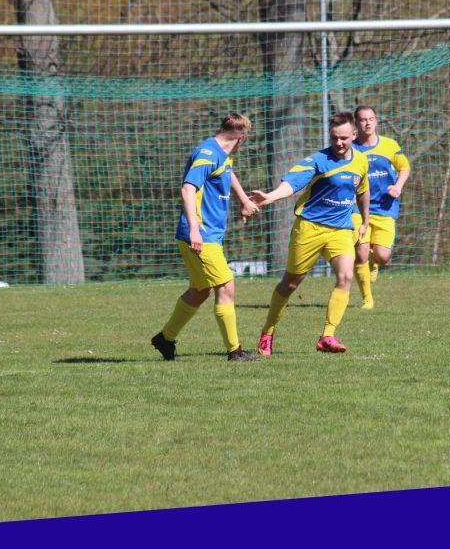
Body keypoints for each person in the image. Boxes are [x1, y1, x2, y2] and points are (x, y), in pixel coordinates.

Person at [249, 111, 370, 355]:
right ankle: (268, 332)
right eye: (334, 138)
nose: (338, 143)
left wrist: (365, 221)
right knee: (290, 284)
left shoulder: (361, 161)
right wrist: (270, 197)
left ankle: (327, 336)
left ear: (354, 135)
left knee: (346, 276)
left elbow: (362, 190)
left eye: (344, 138)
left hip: (341, 229)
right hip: (310, 228)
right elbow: (291, 184)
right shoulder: (318, 160)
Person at [151, 113, 261, 362]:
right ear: (241, 137)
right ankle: (235, 351)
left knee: (200, 290)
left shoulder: (221, 153)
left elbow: (227, 171)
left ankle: (165, 339)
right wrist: (194, 229)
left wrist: (244, 200)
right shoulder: (207, 154)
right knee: (226, 285)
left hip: (205, 234)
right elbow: (187, 189)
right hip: (201, 234)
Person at [351, 105, 411, 310]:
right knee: (360, 252)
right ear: (356, 123)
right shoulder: (351, 148)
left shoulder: (389, 145)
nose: (367, 123)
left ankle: (374, 262)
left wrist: (398, 186)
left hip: (385, 206)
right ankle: (367, 299)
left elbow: (404, 167)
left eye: (371, 119)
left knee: (383, 256)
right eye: (363, 119)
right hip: (359, 209)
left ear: (376, 121)